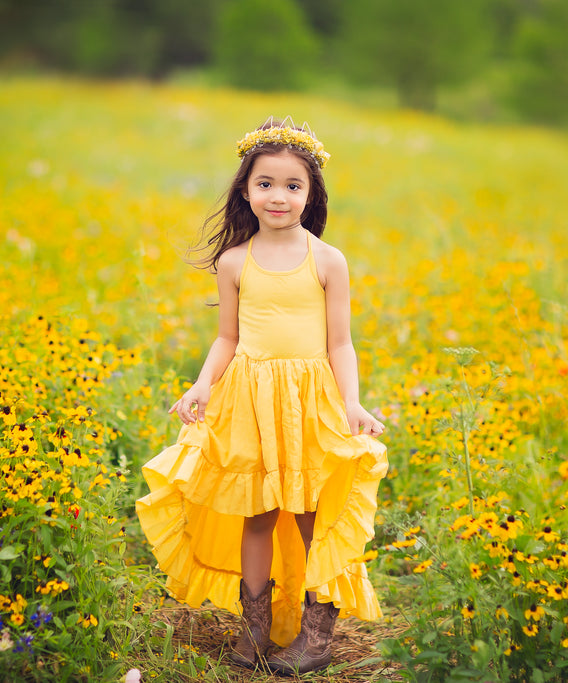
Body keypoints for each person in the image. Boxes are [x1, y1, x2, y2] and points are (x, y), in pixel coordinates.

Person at [136, 117, 388, 675]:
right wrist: (202, 385)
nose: (278, 196)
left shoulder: (328, 260)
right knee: (256, 512)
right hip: (249, 400)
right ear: (246, 191)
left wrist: (352, 402)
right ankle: (253, 630)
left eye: (293, 185)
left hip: (310, 401)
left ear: (311, 194)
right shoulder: (234, 262)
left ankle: (316, 634)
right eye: (265, 183)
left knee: (309, 514)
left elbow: (341, 343)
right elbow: (228, 336)